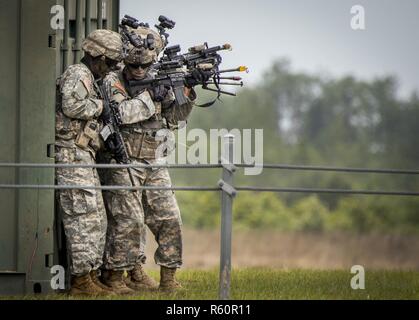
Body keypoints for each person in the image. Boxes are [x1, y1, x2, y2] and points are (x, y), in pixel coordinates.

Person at [102, 26, 197, 291]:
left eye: (145, 65)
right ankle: (116, 277)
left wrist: (186, 91)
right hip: (125, 159)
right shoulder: (113, 80)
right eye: (134, 65)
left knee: (169, 217)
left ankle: (168, 278)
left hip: (155, 160)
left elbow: (175, 117)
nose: (140, 71)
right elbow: (120, 114)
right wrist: (149, 97)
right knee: (128, 220)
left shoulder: (158, 77)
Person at [55, 29, 124, 296]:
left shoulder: (91, 78)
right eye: (109, 62)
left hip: (84, 154)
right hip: (71, 155)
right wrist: (100, 107)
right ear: (96, 55)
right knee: (83, 218)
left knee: (96, 218)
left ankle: (91, 276)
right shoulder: (78, 74)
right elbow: (72, 106)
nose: (110, 69)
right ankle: (81, 282)